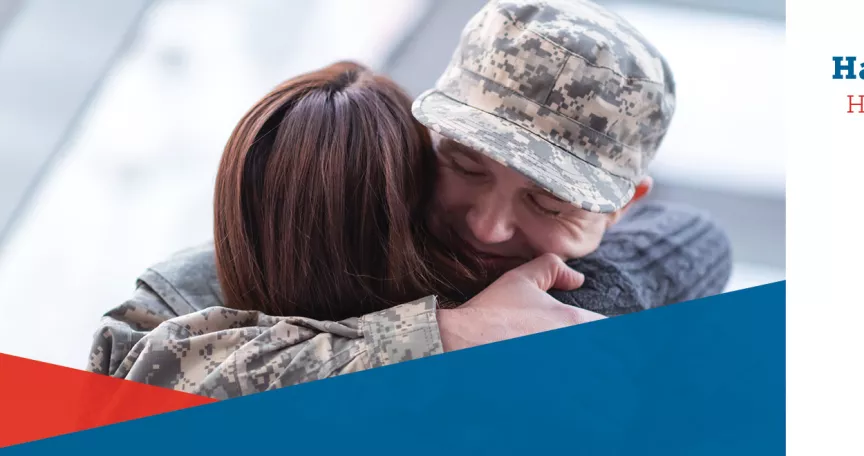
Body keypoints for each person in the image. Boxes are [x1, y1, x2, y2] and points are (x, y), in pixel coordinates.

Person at [88, 0, 731, 399]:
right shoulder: (236, 278)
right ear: (427, 136)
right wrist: (449, 335)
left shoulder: (598, 290)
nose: (488, 225)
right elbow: (130, 391)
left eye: (549, 202)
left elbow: (698, 238)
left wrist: (600, 300)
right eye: (464, 165)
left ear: (620, 209)